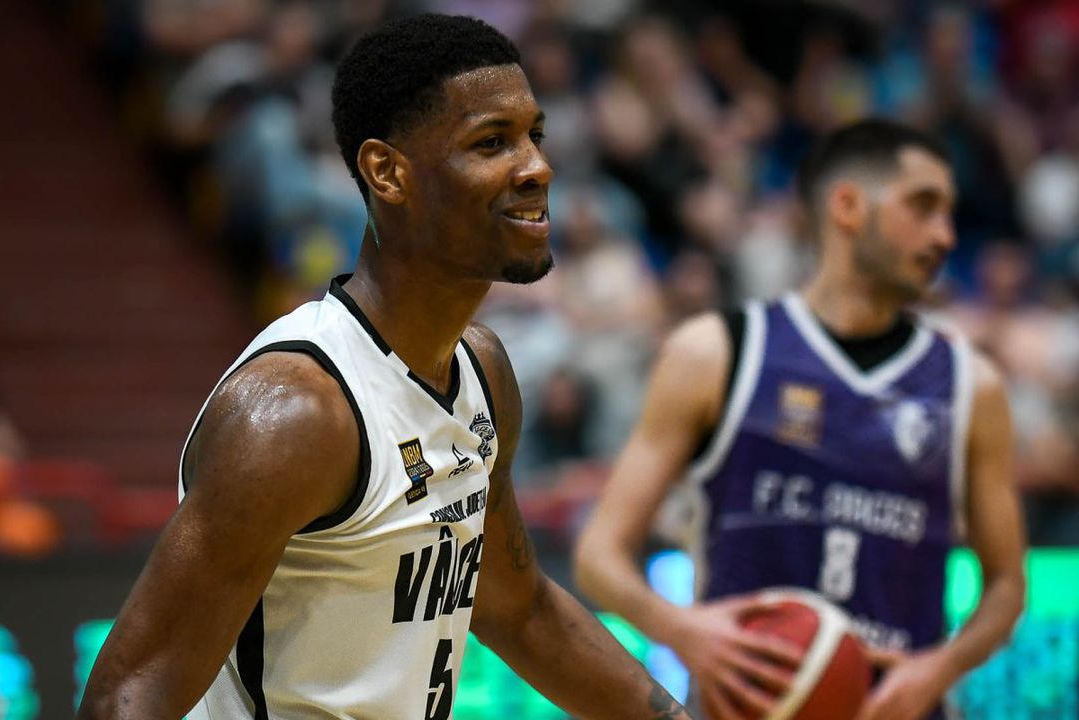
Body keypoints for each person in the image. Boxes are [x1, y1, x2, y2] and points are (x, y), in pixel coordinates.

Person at [78, 14, 690, 720]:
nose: (537, 168)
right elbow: (127, 694)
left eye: (535, 136)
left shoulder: (482, 372)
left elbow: (519, 611)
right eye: (492, 142)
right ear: (387, 172)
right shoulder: (298, 414)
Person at [575, 118, 1027, 720]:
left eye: (950, 214)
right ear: (848, 207)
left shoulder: (972, 384)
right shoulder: (716, 353)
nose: (945, 236)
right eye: (923, 207)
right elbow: (599, 555)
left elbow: (1006, 586)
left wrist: (938, 669)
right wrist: (684, 631)